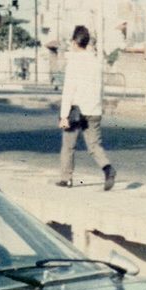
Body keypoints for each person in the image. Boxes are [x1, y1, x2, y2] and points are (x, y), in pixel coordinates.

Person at [57, 25, 115, 191]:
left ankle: (66, 178)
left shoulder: (73, 63)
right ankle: (108, 168)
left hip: (77, 110)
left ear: (74, 42)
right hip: (94, 109)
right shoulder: (96, 62)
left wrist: (64, 116)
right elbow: (100, 87)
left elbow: (69, 90)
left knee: (68, 146)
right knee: (94, 145)